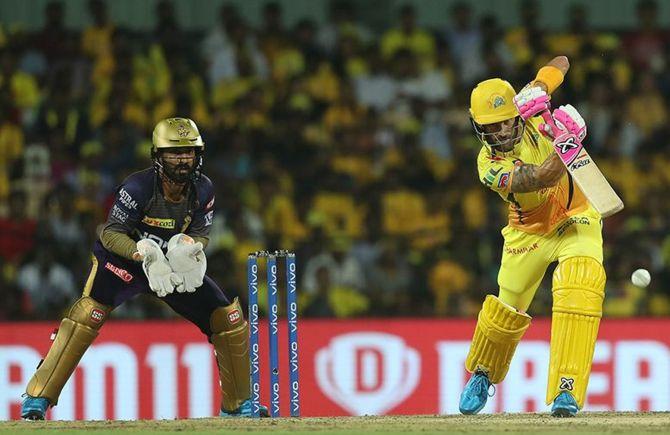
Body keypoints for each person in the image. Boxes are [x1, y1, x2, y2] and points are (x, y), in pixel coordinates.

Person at [21, 118, 267, 419]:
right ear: (158, 156)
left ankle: (238, 405)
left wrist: (189, 248)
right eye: (174, 153)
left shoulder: (204, 189)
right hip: (123, 259)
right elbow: (110, 234)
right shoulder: (138, 186)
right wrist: (141, 254)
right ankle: (37, 397)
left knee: (226, 318)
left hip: (170, 264)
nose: (183, 159)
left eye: (189, 152)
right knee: (86, 316)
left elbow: (202, 232)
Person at [460, 56, 607, 417]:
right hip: (528, 232)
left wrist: (540, 87)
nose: (499, 134)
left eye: (504, 123)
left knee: (580, 283)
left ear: (515, 113)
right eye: (489, 129)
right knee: (506, 309)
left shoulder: (530, 107)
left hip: (577, 217)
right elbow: (541, 178)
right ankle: (484, 373)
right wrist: (567, 142)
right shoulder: (488, 165)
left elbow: (563, 61)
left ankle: (566, 391)